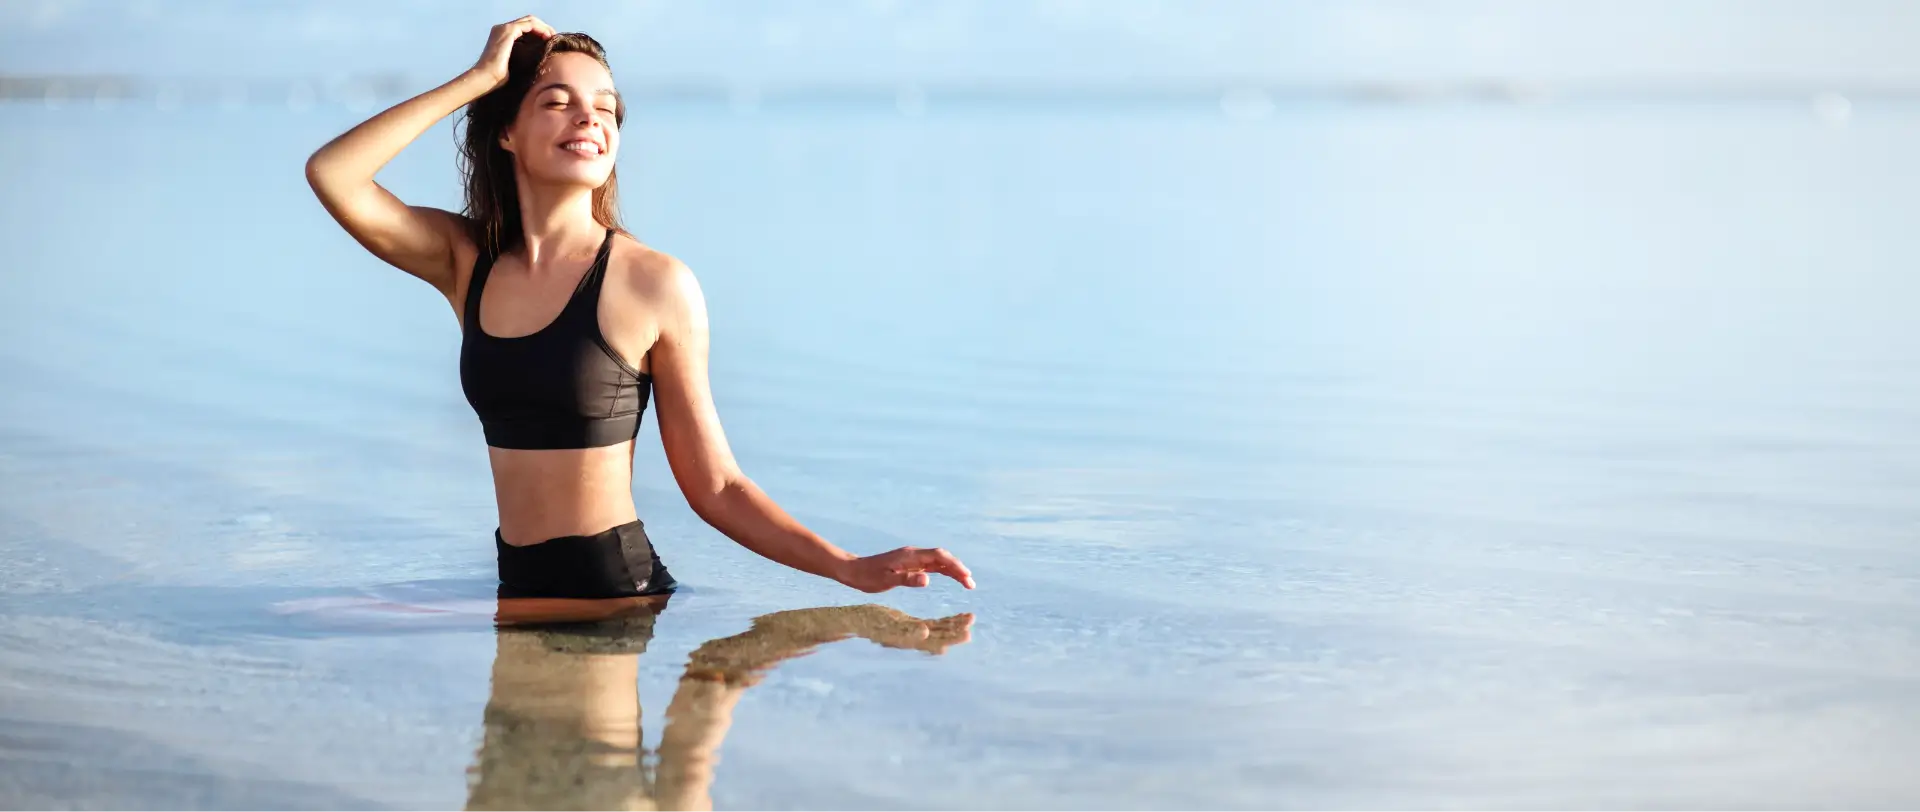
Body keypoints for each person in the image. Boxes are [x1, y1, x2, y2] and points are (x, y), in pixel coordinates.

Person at [304, 16, 975, 599]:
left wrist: (847, 567)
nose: (588, 118)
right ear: (506, 132)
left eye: (605, 106)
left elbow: (715, 485)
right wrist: (479, 78)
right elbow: (334, 173)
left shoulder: (654, 283)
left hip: (616, 597)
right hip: (518, 593)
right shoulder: (467, 262)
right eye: (557, 102)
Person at [464, 602, 973, 811]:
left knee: (709, 682)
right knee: (709, 682)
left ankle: (843, 621)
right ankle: (842, 621)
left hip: (599, 597)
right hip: (530, 596)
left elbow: (719, 483)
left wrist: (850, 568)